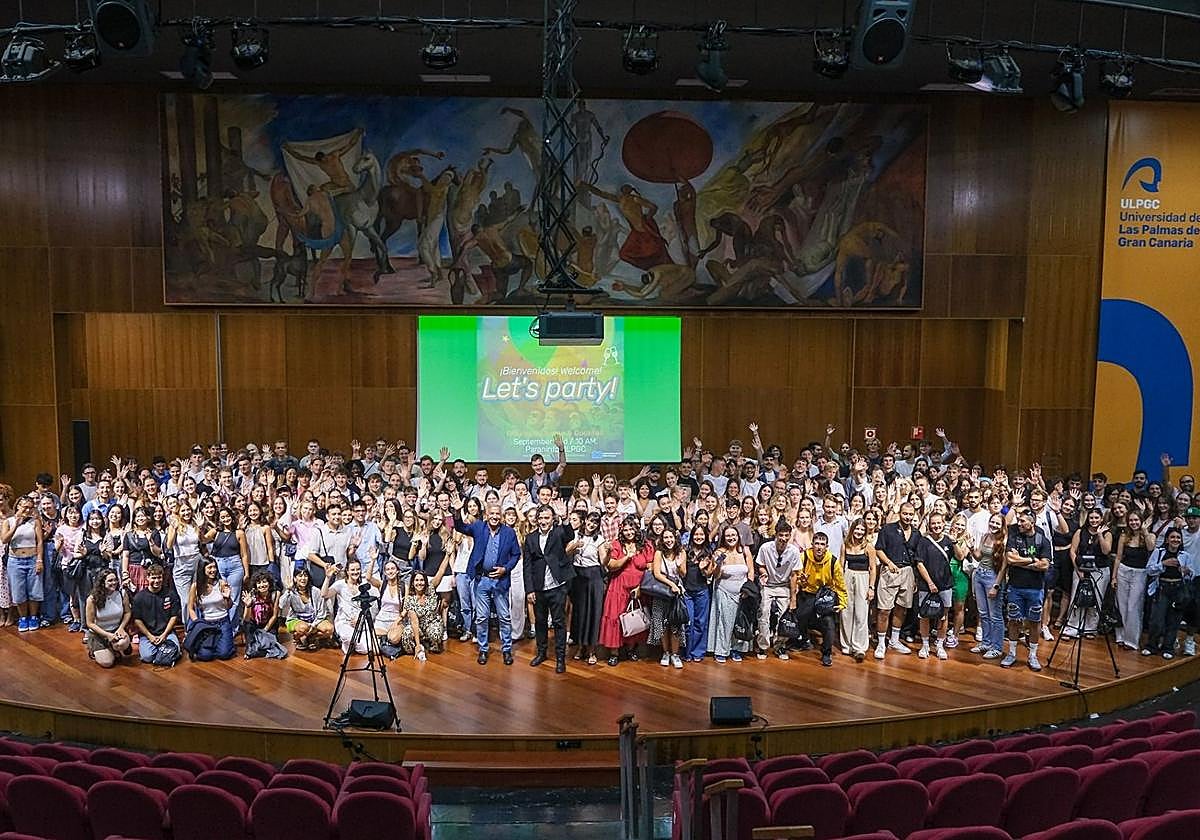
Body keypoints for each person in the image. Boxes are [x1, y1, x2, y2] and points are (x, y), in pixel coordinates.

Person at [454, 501, 521, 666]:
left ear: (502, 516)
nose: (495, 517)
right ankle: (483, 649)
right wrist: (456, 512)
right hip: (482, 579)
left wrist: (505, 569)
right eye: (492, 514)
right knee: (482, 617)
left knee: (504, 617)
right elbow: (460, 527)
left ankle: (506, 650)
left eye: (498, 514)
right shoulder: (478, 527)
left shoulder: (509, 532)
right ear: (486, 514)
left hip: (500, 580)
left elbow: (516, 555)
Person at [995, 508, 1053, 670]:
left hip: (1035, 588)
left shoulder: (1043, 540)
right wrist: (1033, 560)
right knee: (1013, 621)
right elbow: (1010, 559)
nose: (1018, 523)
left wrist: (1023, 561)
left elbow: (1045, 565)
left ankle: (1032, 655)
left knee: (1034, 623)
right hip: (1015, 587)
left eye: (1022, 521)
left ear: (1032, 523)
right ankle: (1012, 653)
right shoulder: (1014, 537)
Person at [523, 504, 576, 673]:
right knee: (540, 622)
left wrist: (565, 518)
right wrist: (529, 589)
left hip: (557, 587)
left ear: (552, 519)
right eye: (541, 518)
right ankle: (541, 653)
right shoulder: (530, 538)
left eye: (547, 518)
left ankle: (560, 658)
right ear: (536, 520)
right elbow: (527, 565)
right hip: (538, 588)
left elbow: (570, 534)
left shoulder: (559, 532)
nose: (543, 521)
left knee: (559, 622)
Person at [599, 516, 654, 666]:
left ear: (637, 530)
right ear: (621, 531)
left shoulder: (646, 545)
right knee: (615, 619)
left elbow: (650, 568)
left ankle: (631, 649)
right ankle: (614, 653)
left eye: (632, 529)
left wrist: (640, 587)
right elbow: (611, 566)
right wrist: (627, 558)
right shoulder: (616, 545)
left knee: (634, 619)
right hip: (618, 587)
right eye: (626, 530)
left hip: (638, 589)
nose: (629, 532)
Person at [789, 531, 846, 666]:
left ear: (827, 546)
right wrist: (801, 581)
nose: (819, 547)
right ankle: (804, 640)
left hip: (825, 596)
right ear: (812, 545)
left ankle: (826, 653)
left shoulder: (833, 562)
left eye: (822, 544)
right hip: (808, 593)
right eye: (817, 544)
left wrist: (842, 602)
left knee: (829, 623)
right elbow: (796, 578)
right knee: (800, 615)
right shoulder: (804, 557)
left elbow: (840, 584)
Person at [873, 502, 921, 659]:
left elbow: (917, 558)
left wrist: (914, 578)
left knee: (902, 608)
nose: (907, 517)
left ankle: (894, 640)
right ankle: (881, 643)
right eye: (905, 513)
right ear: (900, 513)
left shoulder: (916, 533)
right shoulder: (888, 529)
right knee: (884, 609)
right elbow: (878, 549)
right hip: (890, 570)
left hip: (908, 572)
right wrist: (889, 563)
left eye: (910, 514)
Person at [914, 512, 960, 660]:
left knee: (943, 616)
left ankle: (940, 644)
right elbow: (919, 563)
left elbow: (960, 557)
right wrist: (930, 583)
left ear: (944, 523)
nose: (936, 526)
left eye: (939, 523)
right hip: (926, 585)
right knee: (924, 615)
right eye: (933, 523)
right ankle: (925, 644)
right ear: (929, 525)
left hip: (945, 584)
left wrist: (954, 542)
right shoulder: (923, 541)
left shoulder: (948, 541)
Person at [755, 519, 802, 660]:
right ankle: (762, 646)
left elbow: (794, 575)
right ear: (776, 534)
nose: (784, 538)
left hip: (784, 586)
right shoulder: (765, 547)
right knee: (763, 613)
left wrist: (793, 599)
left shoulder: (793, 551)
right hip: (768, 585)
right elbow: (761, 565)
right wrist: (764, 573)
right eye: (781, 535)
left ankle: (779, 646)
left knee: (785, 617)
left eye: (787, 535)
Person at [1143, 527, 1194, 658]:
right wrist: (1163, 564)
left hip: (1178, 589)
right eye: (1172, 537)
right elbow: (1149, 570)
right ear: (1167, 539)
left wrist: (1187, 572)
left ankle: (1168, 648)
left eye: (1178, 538)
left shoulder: (1185, 555)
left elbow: (1190, 575)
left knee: (1174, 620)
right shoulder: (1158, 552)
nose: (1175, 540)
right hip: (1162, 588)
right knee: (1156, 620)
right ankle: (1151, 645)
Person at [708, 525, 755, 663]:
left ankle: (737, 649)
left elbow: (750, 571)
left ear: (738, 536)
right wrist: (718, 564)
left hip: (742, 593)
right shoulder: (718, 552)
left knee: (739, 621)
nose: (731, 538)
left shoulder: (744, 551)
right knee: (725, 622)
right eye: (728, 535)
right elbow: (716, 576)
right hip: (724, 591)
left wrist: (748, 589)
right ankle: (722, 650)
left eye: (733, 535)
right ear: (724, 538)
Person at [567, 511, 608, 665]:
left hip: (594, 577)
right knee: (579, 613)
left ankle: (592, 650)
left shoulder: (600, 540)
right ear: (585, 521)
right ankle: (580, 647)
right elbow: (566, 552)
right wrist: (575, 545)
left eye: (595, 523)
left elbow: (603, 562)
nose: (592, 525)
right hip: (578, 576)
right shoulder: (577, 535)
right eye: (590, 521)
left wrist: (608, 552)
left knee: (593, 614)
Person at [1113, 511, 1156, 651]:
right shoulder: (1124, 536)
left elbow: (1151, 548)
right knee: (1121, 605)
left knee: (1134, 607)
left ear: (1141, 520)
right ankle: (1121, 636)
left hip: (1140, 573)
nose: (1133, 523)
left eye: (1136, 520)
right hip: (1123, 571)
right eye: (1131, 520)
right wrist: (1114, 576)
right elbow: (1118, 557)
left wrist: (1144, 530)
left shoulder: (1150, 535)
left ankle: (1131, 641)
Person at [1, 496, 44, 632]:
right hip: (15, 560)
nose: (27, 510)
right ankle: (23, 618)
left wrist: (39, 560)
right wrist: (16, 525)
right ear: (18, 506)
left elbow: (40, 541)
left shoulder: (35, 521)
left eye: (30, 507)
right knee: (19, 592)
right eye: (25, 507)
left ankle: (33, 617)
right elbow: (4, 539)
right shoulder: (8, 521)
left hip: (32, 558)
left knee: (34, 590)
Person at [839, 518, 877, 661]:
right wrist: (839, 585)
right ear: (852, 529)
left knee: (861, 613)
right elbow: (841, 566)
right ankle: (846, 644)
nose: (859, 532)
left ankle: (859, 647)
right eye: (857, 528)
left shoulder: (869, 547)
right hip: (848, 577)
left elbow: (873, 568)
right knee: (846, 611)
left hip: (863, 577)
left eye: (862, 529)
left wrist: (871, 587)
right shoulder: (845, 545)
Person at [970, 513, 1008, 660]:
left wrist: (996, 586)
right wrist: (972, 548)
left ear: (1002, 525)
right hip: (979, 574)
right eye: (992, 522)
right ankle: (986, 642)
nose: (994, 525)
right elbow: (979, 557)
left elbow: (1004, 566)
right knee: (983, 613)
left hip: (993, 577)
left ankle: (997, 647)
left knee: (995, 615)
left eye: (997, 523)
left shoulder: (1003, 540)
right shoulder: (986, 536)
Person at [322, 558, 378, 655]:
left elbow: (373, 604)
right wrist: (327, 578)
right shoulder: (340, 584)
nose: (355, 572)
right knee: (351, 639)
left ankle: (353, 645)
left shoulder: (364, 585)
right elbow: (324, 594)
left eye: (358, 569)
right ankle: (347, 643)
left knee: (368, 649)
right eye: (352, 570)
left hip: (360, 622)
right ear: (347, 571)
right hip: (345, 622)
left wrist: (361, 619)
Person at [183, 558, 236, 661]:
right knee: (204, 656)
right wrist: (197, 623)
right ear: (203, 569)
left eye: (215, 567)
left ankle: (221, 644)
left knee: (224, 654)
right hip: (207, 624)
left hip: (223, 622)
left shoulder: (221, 583)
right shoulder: (196, 586)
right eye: (210, 567)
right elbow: (190, 608)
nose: (213, 570)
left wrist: (227, 597)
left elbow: (229, 606)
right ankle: (212, 645)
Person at [647, 528, 686, 669]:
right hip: (662, 592)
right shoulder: (659, 553)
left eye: (671, 537)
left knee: (675, 623)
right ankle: (666, 653)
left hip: (676, 594)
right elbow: (657, 573)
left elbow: (683, 573)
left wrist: (679, 563)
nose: (669, 540)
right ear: (662, 540)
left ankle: (675, 654)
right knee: (662, 624)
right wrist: (671, 584)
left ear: (675, 539)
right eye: (666, 538)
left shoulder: (681, 553)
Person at [131, 564, 182, 667]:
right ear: (147, 578)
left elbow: (173, 616)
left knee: (175, 651)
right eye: (153, 578)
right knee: (147, 657)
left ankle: (163, 653)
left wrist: (164, 635)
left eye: (159, 577)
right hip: (147, 635)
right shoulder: (139, 597)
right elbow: (137, 620)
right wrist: (150, 636)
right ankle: (164, 654)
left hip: (167, 633)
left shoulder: (170, 594)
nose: (157, 581)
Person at [680, 523, 716, 662]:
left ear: (705, 536)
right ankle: (686, 652)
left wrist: (703, 568)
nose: (699, 537)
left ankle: (698, 652)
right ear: (692, 536)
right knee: (688, 623)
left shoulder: (708, 552)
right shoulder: (685, 550)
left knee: (700, 623)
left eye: (701, 534)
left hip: (702, 592)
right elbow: (682, 573)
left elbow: (708, 575)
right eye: (696, 534)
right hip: (687, 592)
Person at [84, 569, 132, 668]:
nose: (114, 583)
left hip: (116, 630)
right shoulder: (92, 599)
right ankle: (98, 650)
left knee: (122, 644)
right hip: (99, 633)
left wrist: (121, 628)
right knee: (107, 663)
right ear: (102, 583)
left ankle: (114, 649)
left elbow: (127, 612)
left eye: (115, 580)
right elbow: (90, 623)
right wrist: (107, 635)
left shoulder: (122, 593)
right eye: (110, 581)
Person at [279, 567, 335, 651]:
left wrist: (314, 625)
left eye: (305, 575)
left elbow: (321, 612)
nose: (303, 578)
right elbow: (281, 605)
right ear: (295, 578)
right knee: (303, 628)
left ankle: (312, 638)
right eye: (300, 576)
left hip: (314, 620)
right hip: (296, 620)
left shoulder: (315, 591)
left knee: (329, 629)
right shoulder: (291, 592)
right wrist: (288, 590)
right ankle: (297, 638)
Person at [241, 571, 287, 659]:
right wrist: (248, 605)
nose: (262, 585)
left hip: (269, 624)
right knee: (251, 649)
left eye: (264, 582)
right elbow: (246, 619)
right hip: (254, 624)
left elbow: (274, 615)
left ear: (269, 583)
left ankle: (258, 647)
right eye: (259, 583)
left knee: (272, 645)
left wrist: (264, 631)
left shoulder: (275, 594)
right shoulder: (252, 595)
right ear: (255, 586)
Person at [399, 570, 444, 660]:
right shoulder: (410, 600)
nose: (419, 583)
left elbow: (440, 573)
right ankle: (419, 645)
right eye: (416, 580)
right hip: (418, 626)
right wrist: (418, 645)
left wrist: (447, 556)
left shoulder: (430, 590)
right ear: (412, 583)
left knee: (435, 634)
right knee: (407, 635)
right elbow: (414, 622)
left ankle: (432, 643)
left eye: (422, 580)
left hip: (432, 623)